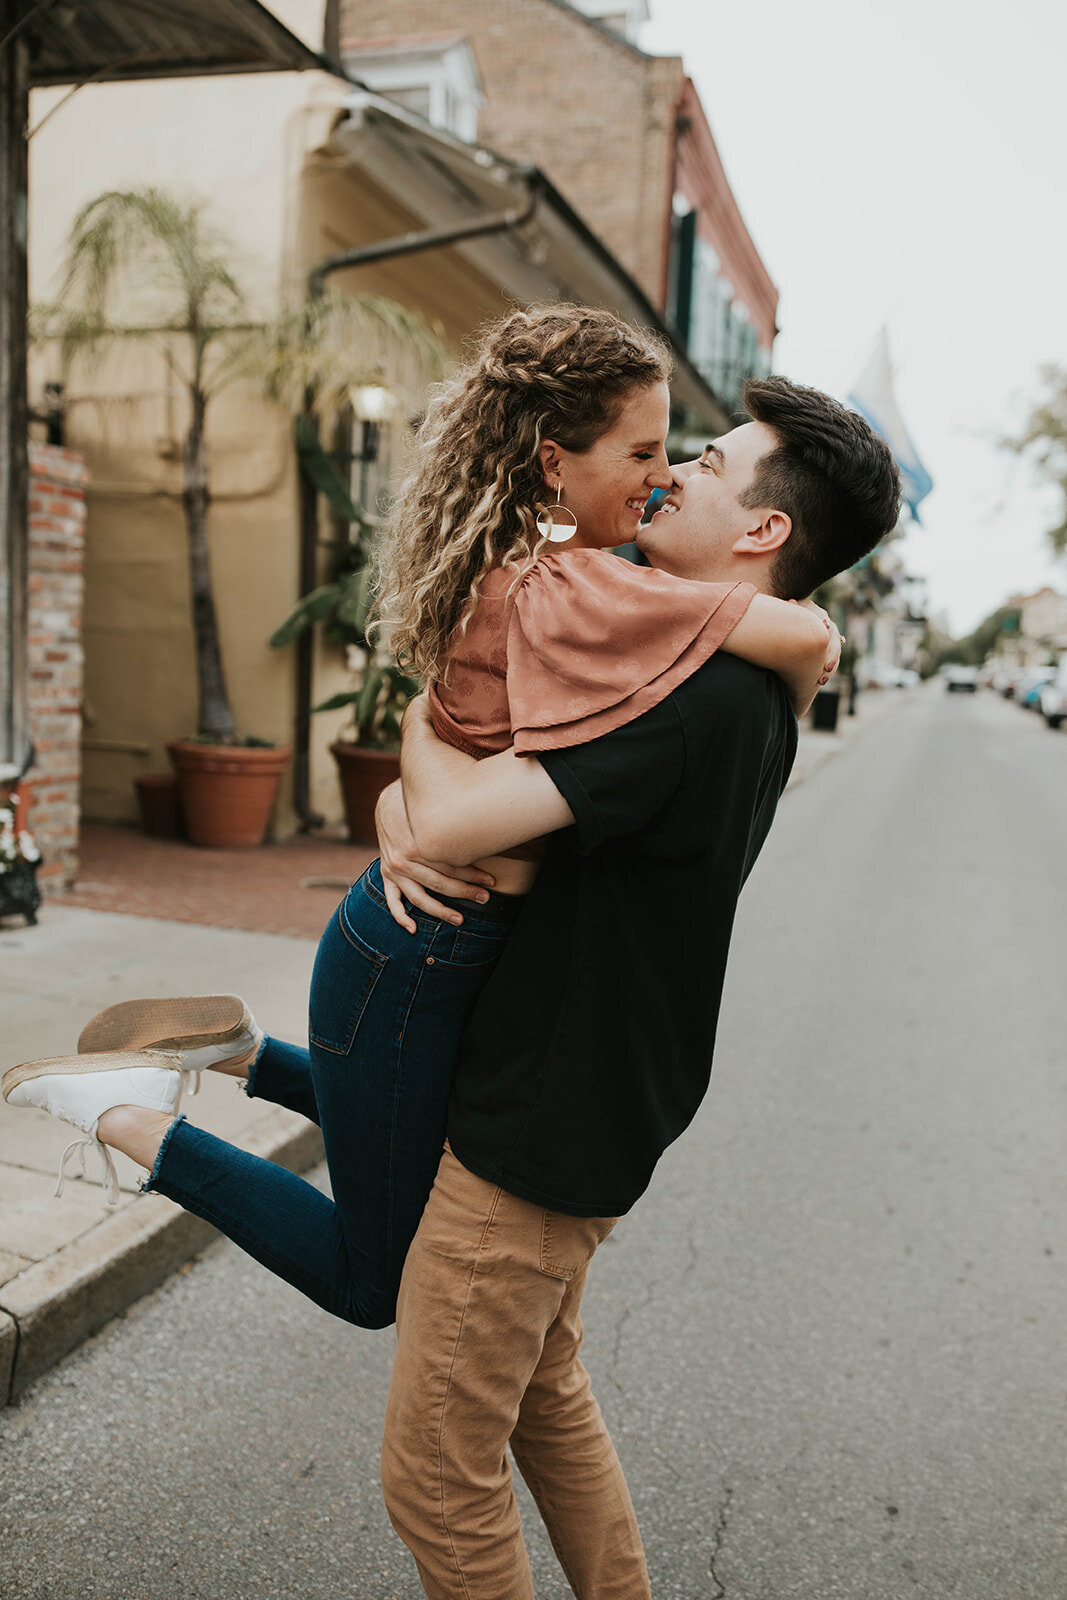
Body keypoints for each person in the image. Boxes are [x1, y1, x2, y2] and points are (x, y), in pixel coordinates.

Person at [1, 307, 836, 1333]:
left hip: (425, 936)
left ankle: (237, 1051)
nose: (662, 473)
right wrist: (813, 633)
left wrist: (405, 793)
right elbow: (794, 637)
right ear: (552, 461)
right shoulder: (579, 587)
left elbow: (439, 716)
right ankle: (118, 1113)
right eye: (644, 450)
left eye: (677, 455)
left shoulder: (533, 562)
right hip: (424, 944)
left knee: (402, 1128)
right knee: (369, 1282)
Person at [370, 374, 902, 1599]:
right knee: (543, 1398)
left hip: (538, 1126)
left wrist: (411, 760)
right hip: (604, 1102)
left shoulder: (691, 695)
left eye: (709, 463)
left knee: (436, 1477)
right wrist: (421, 808)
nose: (674, 472)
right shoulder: (740, 678)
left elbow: (454, 820)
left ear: (763, 530)